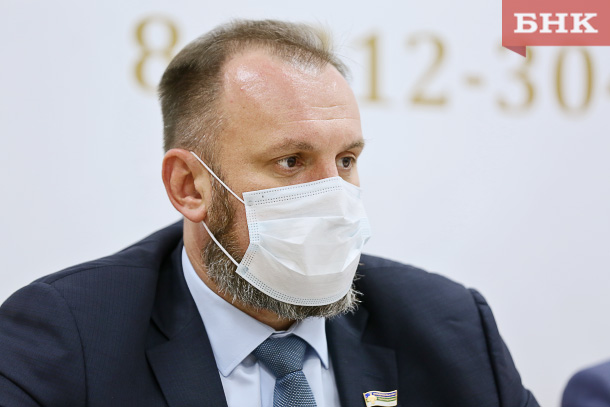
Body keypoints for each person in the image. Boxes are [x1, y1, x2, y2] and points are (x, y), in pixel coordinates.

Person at [0, 19, 539, 407]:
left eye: (346, 161)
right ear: (189, 187)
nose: (334, 197)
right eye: (291, 161)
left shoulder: (453, 330)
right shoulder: (67, 341)